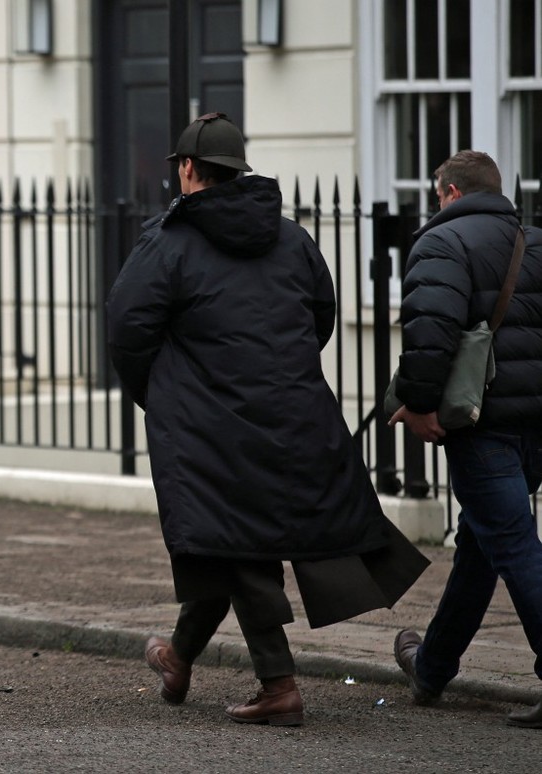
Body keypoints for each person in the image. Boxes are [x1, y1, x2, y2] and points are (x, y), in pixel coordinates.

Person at [105, 113, 429, 726]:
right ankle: (177, 657)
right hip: (297, 412)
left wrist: (167, 392)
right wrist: (280, 371)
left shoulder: (167, 242)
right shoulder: (293, 239)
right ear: (240, 171)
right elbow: (321, 316)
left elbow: (127, 332)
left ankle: (279, 686)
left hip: (210, 421)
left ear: (187, 170)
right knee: (225, 537)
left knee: (238, 541)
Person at [388, 150, 542, 728]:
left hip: (483, 426)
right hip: (534, 426)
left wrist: (422, 405)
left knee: (515, 547)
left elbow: (430, 335)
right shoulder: (534, 241)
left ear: (450, 193)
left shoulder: (441, 244)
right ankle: (431, 667)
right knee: (483, 545)